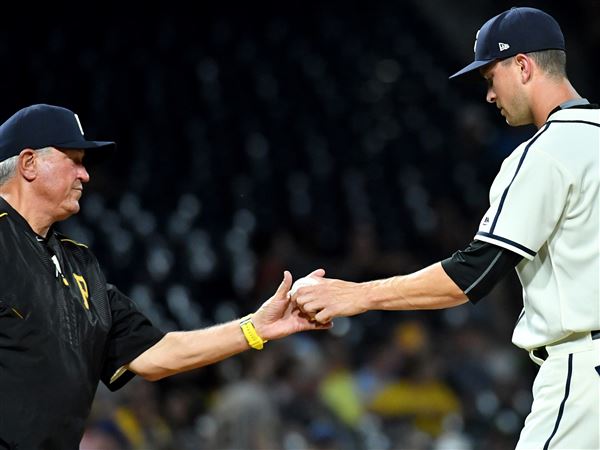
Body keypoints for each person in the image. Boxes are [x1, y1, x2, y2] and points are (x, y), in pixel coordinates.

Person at [290, 7, 599, 450]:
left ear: (523, 66)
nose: (489, 95)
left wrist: (356, 295)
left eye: (490, 78)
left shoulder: (545, 152)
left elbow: (472, 274)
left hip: (585, 374)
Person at [0, 103, 330, 449]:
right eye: (75, 160)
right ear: (29, 163)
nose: (85, 175)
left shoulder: (79, 264)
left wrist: (254, 328)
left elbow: (154, 354)